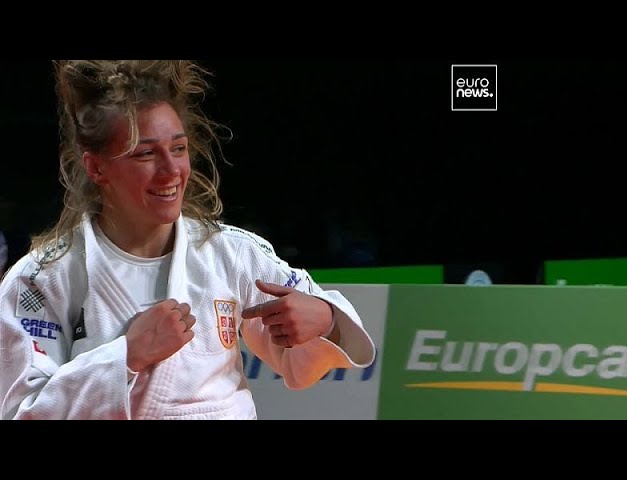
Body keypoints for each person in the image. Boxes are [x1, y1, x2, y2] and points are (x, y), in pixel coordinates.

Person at [0, 60, 375, 420]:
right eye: (145, 153)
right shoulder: (41, 279)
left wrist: (325, 320)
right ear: (96, 167)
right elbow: (22, 412)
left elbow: (303, 362)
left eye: (178, 149)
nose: (171, 171)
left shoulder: (231, 254)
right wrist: (125, 356)